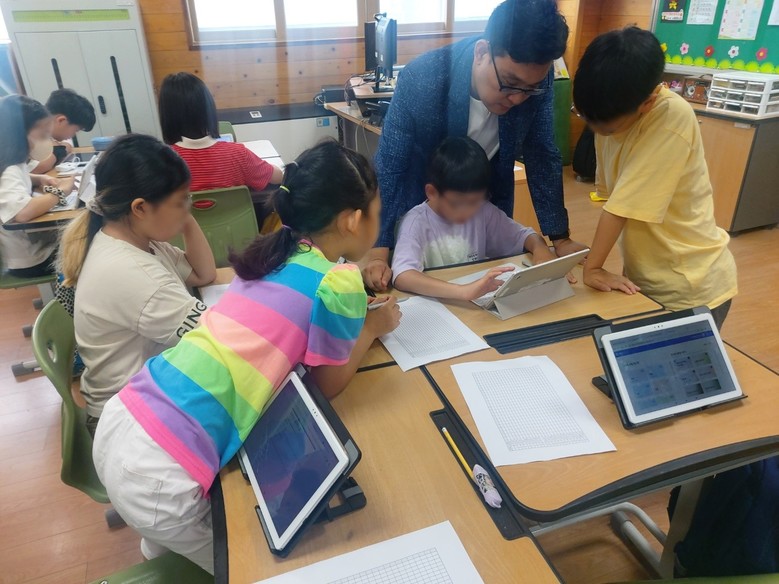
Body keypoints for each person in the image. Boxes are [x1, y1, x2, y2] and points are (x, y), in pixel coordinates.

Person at [91, 139, 402, 573]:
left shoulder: (271, 252)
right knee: (262, 566)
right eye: (377, 213)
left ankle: (161, 549)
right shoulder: (340, 281)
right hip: (163, 473)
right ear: (352, 220)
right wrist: (371, 327)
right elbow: (327, 385)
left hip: (125, 419)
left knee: (172, 524)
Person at [363, 0, 587, 291]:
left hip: (482, 209)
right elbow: (391, 165)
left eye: (530, 89)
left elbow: (542, 154)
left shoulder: (534, 83)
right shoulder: (423, 78)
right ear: (482, 52)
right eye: (510, 83)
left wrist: (560, 238)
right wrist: (379, 252)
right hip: (422, 209)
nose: (518, 98)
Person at [572, 27, 737, 329]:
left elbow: (620, 207)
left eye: (606, 129)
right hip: (646, 279)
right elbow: (613, 198)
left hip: (689, 285)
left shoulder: (671, 118)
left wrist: (593, 267)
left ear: (647, 102)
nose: (597, 132)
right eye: (585, 118)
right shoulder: (609, 113)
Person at [58, 134, 217, 435]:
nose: (189, 206)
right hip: (126, 421)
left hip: (137, 399)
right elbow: (215, 340)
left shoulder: (132, 238)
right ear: (140, 208)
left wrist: (182, 214)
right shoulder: (134, 273)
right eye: (181, 201)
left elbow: (203, 274)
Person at [392, 136, 557, 299]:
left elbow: (524, 236)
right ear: (432, 193)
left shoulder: (482, 211)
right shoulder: (415, 222)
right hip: (438, 302)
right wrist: (463, 291)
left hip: (474, 302)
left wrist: (540, 249)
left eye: (475, 202)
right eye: (458, 203)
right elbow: (403, 275)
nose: (468, 211)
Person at [158, 72, 283, 193]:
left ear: (166, 116)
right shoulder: (238, 154)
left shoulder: (162, 163)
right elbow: (278, 177)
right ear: (208, 109)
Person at [0, 95, 74, 277]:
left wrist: (38, 179)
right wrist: (61, 192)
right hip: (31, 260)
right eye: (42, 135)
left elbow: (18, 176)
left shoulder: (12, 163)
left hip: (28, 251)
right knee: (84, 244)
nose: (46, 141)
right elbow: (22, 212)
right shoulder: (9, 170)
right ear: (19, 135)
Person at [30, 88, 96, 174]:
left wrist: (57, 150)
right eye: (76, 130)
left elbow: (68, 145)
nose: (73, 135)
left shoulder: (47, 130)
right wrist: (57, 151)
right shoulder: (30, 130)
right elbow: (36, 168)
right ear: (61, 120)